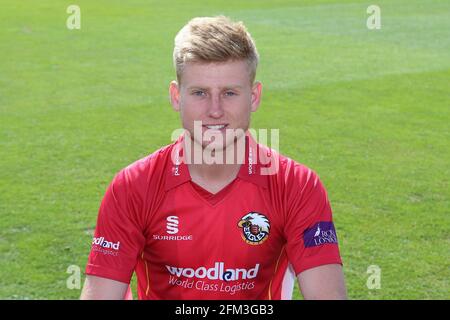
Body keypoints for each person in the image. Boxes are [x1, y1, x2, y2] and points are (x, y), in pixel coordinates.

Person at [80, 16, 347, 300]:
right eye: (200, 93)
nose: (215, 110)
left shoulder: (297, 186)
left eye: (230, 93)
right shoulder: (132, 187)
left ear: (254, 97)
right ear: (175, 96)